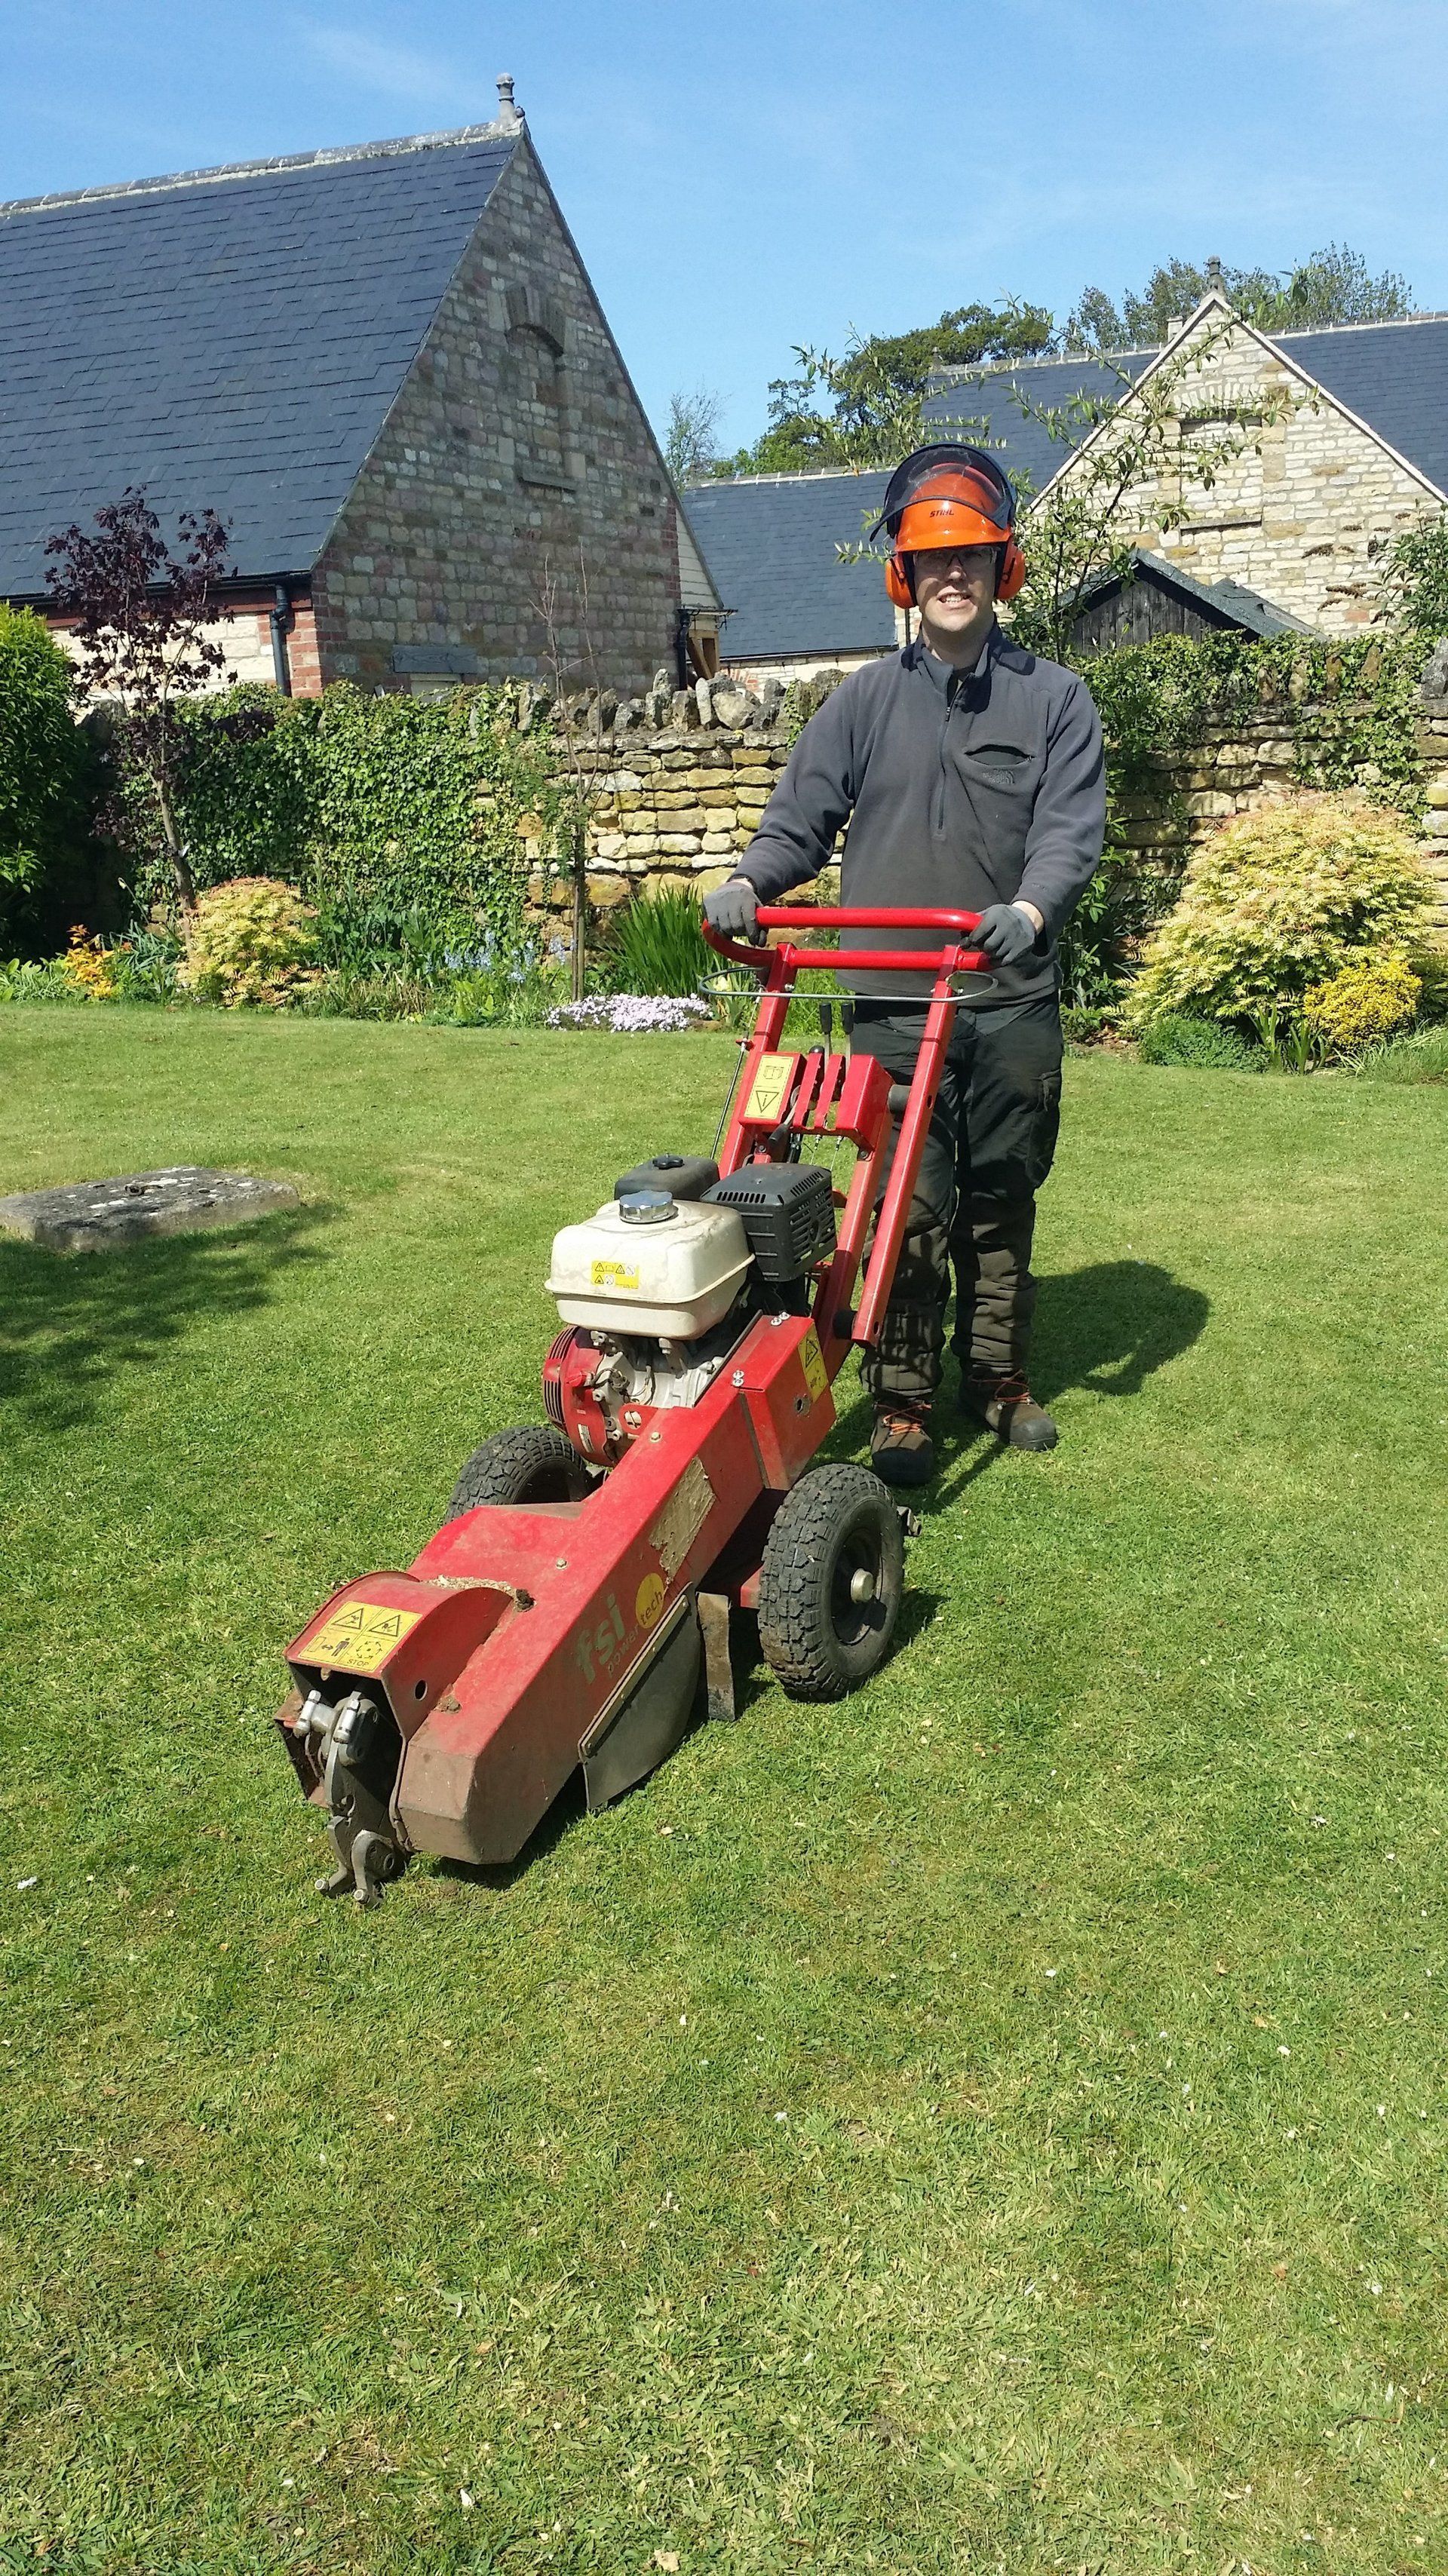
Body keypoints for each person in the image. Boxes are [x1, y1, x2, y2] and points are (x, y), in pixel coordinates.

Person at [704, 443, 1105, 1487]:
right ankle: (905, 1403)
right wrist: (754, 879)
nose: (953, 576)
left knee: (1000, 1195)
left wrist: (1029, 906)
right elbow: (801, 818)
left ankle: (1000, 1380)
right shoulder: (862, 704)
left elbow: (1069, 830)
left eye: (971, 555)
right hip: (892, 997)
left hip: (1007, 994)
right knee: (905, 1206)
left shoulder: (1056, 700)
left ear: (1003, 566)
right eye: (933, 562)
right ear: (905, 579)